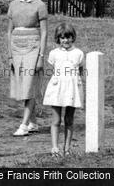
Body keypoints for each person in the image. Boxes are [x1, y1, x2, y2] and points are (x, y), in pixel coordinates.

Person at [7, 0, 48, 136]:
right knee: (22, 84)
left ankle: (23, 125)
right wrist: (10, 55)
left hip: (33, 47)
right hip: (16, 48)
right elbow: (8, 32)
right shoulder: (13, 5)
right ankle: (33, 123)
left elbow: (44, 33)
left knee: (29, 83)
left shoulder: (40, 5)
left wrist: (41, 56)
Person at [43, 22, 85, 156]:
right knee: (56, 120)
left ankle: (67, 148)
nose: (66, 40)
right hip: (57, 88)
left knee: (69, 119)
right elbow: (52, 71)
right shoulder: (54, 53)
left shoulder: (78, 53)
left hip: (72, 89)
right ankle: (55, 148)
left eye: (68, 37)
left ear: (73, 37)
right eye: (62, 38)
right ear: (58, 39)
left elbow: (81, 70)